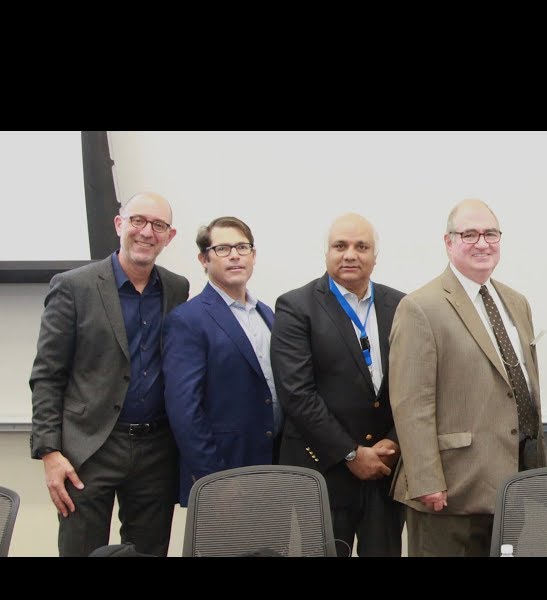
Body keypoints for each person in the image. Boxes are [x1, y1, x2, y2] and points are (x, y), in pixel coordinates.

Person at [29, 192, 190, 557]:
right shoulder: (74, 286)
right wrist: (49, 452)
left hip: (156, 451)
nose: (147, 232)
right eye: (138, 221)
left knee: (149, 551)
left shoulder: (176, 288)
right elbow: (47, 375)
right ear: (119, 224)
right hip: (89, 449)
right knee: (81, 551)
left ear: (170, 236)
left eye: (158, 225)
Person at [389, 199, 546, 557]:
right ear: (448, 242)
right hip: (451, 489)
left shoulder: (516, 302)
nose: (482, 243)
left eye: (490, 233)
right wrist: (427, 479)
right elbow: (411, 403)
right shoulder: (421, 307)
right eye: (469, 234)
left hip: (513, 481)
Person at [272, 213, 406, 557]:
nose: (350, 254)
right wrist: (350, 453)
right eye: (340, 246)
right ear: (327, 253)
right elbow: (297, 394)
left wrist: (393, 440)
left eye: (362, 246)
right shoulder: (295, 307)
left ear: (375, 256)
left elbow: (415, 387)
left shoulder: (403, 306)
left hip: (386, 472)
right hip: (323, 473)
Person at [163, 216, 278, 507]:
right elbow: (184, 410)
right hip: (225, 473)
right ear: (204, 259)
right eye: (223, 249)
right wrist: (213, 478)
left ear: (254, 255)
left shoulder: (268, 314)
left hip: (274, 469)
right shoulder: (187, 320)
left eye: (242, 247)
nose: (235, 255)